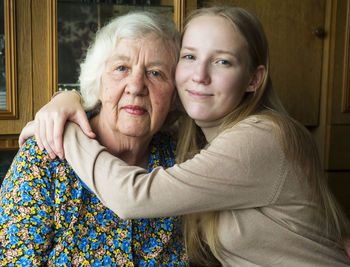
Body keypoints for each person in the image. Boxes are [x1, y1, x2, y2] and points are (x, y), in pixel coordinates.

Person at [19, 6, 350, 266]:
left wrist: (67, 127)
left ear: (253, 79)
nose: (200, 76)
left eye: (222, 61)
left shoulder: (252, 140)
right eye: (190, 57)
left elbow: (132, 197)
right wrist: (66, 99)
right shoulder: (194, 144)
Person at [0, 11, 189, 266]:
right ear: (97, 82)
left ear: (175, 95)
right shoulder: (44, 157)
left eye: (155, 73)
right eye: (121, 68)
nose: (136, 86)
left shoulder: (184, 159)